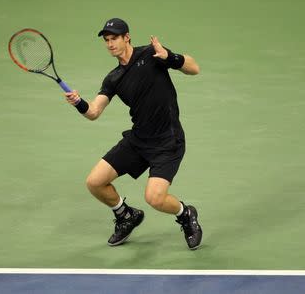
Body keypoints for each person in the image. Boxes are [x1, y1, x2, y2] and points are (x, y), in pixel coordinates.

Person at [64, 18, 202, 249]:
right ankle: (126, 215)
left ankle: (185, 213)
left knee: (155, 198)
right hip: (139, 140)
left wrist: (171, 58)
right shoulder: (113, 78)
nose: (110, 44)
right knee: (95, 182)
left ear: (127, 37)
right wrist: (79, 103)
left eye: (114, 38)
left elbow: (193, 67)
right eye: (106, 40)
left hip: (168, 141)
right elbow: (94, 112)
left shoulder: (151, 54)